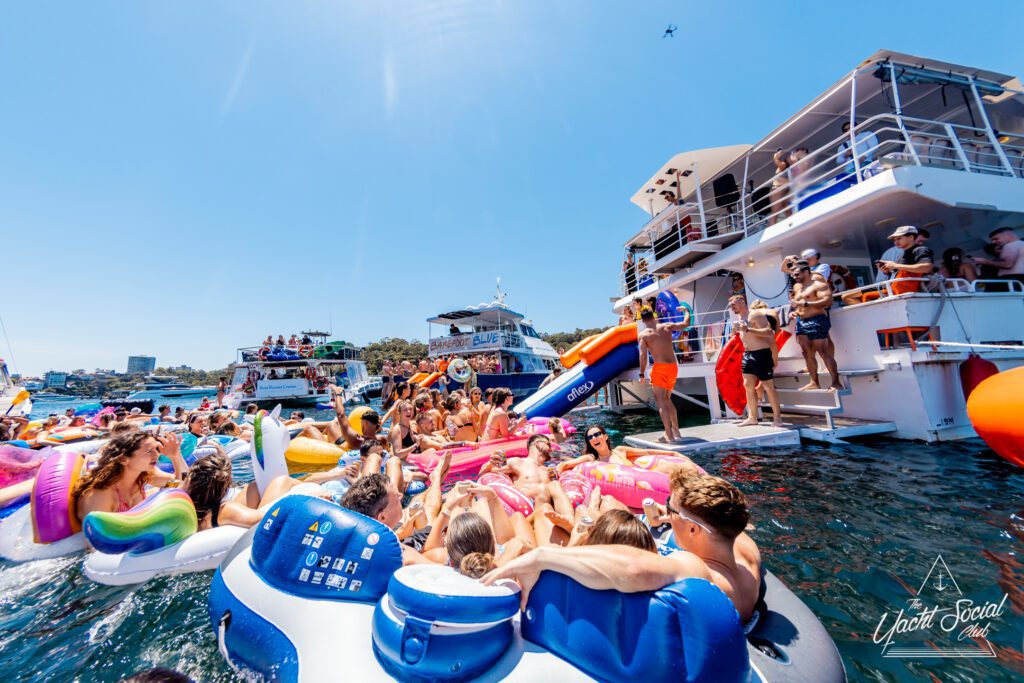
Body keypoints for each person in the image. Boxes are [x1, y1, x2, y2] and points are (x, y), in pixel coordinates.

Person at [482, 471, 762, 622]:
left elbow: (633, 566)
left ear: (693, 529)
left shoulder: (700, 572)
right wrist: (669, 519)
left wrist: (544, 556)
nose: (667, 513)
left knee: (545, 525)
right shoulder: (745, 552)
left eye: (670, 509)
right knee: (609, 510)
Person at [73, 432, 187, 523]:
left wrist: (176, 456)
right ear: (123, 459)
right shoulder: (100, 494)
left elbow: (183, 482)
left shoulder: (144, 474)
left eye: (156, 449)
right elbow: (95, 544)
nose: (157, 455)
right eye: (149, 451)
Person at [184, 452, 312, 529]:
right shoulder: (225, 510)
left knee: (255, 487)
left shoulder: (185, 502)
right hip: (255, 526)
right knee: (282, 480)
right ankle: (313, 488)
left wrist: (175, 456)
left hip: (211, 517)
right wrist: (307, 494)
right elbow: (262, 519)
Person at [556, 426, 701, 478]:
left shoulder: (620, 450)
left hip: (646, 480)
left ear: (605, 436)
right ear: (590, 443)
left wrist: (673, 454)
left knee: (672, 469)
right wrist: (557, 470)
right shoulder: (591, 459)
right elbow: (568, 464)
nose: (594, 438)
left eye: (597, 434)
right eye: (590, 437)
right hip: (627, 489)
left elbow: (647, 452)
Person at [637, 305, 691, 443]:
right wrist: (686, 311)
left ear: (642, 320)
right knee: (667, 399)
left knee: (661, 402)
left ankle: (669, 435)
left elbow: (643, 356)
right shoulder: (666, 326)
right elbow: (686, 324)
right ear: (654, 316)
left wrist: (642, 374)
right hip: (673, 367)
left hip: (660, 368)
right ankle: (676, 431)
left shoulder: (644, 335)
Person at [730, 295, 783, 426]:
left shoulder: (755, 314)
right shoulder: (740, 318)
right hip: (747, 354)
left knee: (768, 387)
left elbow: (769, 332)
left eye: (733, 303)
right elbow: (740, 335)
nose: (732, 306)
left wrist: (748, 329)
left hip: (761, 354)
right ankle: (752, 417)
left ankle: (777, 418)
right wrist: (734, 330)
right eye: (730, 305)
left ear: (742, 301)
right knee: (747, 385)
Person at [790, 261, 842, 391]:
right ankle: (814, 382)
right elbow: (800, 304)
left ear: (806, 271)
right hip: (801, 322)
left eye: (796, 274)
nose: (794, 277)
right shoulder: (797, 287)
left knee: (823, 352)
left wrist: (806, 304)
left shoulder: (818, 284)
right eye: (793, 275)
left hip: (817, 320)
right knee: (807, 353)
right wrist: (795, 312)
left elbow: (828, 301)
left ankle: (836, 383)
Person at [768, 148, 789, 225]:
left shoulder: (784, 164)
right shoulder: (783, 165)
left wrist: (775, 158)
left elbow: (780, 164)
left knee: (775, 213)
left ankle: (772, 227)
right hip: (779, 189)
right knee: (784, 209)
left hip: (779, 189)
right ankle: (789, 220)